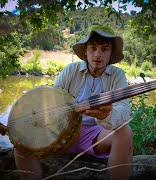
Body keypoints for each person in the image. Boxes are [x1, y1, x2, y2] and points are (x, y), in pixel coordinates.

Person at [14, 25, 133, 180]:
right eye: (93, 48)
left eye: (104, 49)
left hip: (96, 135)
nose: (98, 54)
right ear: (85, 51)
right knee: (21, 139)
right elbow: (52, 101)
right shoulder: (71, 70)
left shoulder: (118, 76)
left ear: (111, 54)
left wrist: (107, 114)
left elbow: (124, 110)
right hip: (64, 134)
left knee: (125, 132)